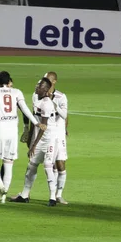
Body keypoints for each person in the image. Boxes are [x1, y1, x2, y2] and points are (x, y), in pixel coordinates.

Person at [0, 71, 44, 203]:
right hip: (12, 131)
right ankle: (3, 197)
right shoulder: (17, 92)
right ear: (9, 80)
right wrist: (36, 123)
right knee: (8, 163)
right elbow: (25, 108)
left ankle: (1, 187)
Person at [12, 77, 60, 206]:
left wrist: (33, 145)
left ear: (45, 90)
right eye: (37, 84)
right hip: (38, 137)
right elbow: (34, 118)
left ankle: (52, 198)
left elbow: (43, 126)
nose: (36, 87)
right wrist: (29, 134)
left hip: (49, 139)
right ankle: (25, 195)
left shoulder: (47, 104)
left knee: (48, 166)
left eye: (39, 86)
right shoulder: (35, 97)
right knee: (31, 166)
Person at [44, 72, 69, 204]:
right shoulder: (40, 95)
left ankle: (59, 195)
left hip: (59, 135)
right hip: (48, 135)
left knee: (60, 164)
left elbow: (65, 114)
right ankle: (52, 195)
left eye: (48, 79)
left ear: (54, 82)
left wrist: (65, 129)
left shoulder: (61, 97)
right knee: (49, 164)